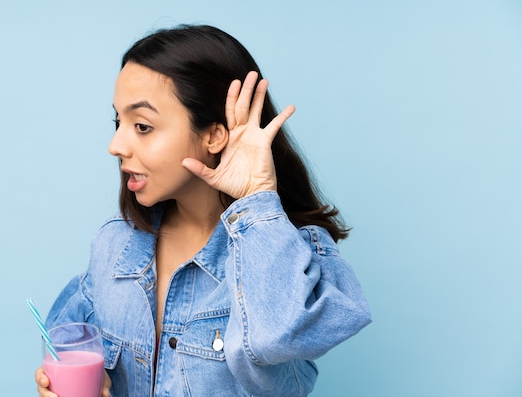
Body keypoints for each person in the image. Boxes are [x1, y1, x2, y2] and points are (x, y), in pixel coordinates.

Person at [34, 24, 371, 397]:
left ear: (214, 135)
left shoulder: (292, 255)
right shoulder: (116, 243)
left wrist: (256, 196)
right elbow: (65, 344)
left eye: (142, 126)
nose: (116, 145)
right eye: (119, 121)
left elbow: (278, 339)